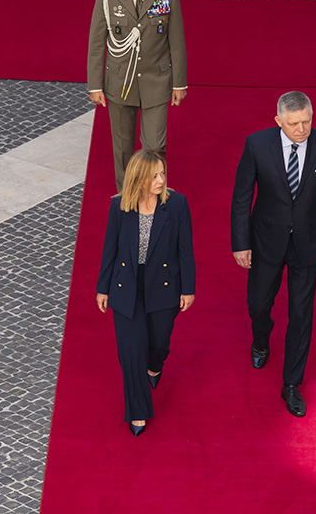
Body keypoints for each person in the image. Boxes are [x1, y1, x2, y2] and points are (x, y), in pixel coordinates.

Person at [230, 91, 316, 417]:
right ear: (278, 121)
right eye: (293, 123)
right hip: (266, 241)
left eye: (306, 121)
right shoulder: (256, 145)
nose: (301, 129)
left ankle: (291, 383)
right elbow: (242, 197)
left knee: (301, 314)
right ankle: (261, 337)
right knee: (258, 304)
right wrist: (240, 243)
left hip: (308, 244)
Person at [96, 149, 196, 436]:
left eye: (162, 173)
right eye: (154, 176)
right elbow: (110, 249)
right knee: (130, 352)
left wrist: (187, 288)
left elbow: (185, 251)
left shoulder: (176, 204)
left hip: (163, 285)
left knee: (159, 343)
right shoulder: (119, 207)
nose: (161, 180)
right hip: (126, 285)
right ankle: (137, 411)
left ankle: (155, 364)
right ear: (138, 179)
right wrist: (103, 288)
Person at [87, 0, 188, 192]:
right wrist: (94, 86)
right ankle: (126, 196)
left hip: (157, 81)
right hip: (120, 82)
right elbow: (97, 43)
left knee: (154, 145)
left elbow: (176, 42)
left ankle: (156, 190)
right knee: (122, 147)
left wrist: (179, 84)